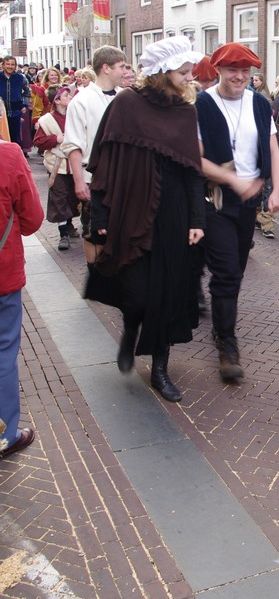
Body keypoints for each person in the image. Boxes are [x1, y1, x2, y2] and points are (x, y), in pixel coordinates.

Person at [84, 37, 205, 403]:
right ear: (161, 72)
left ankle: (160, 369)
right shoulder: (125, 104)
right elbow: (103, 161)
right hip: (130, 210)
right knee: (136, 293)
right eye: (183, 72)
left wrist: (196, 218)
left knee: (167, 292)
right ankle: (130, 329)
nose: (190, 77)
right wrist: (100, 213)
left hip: (173, 215)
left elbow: (192, 171)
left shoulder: (185, 112)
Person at [196, 43, 279, 381]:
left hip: (250, 202)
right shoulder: (203, 104)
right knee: (227, 273)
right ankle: (227, 344)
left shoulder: (259, 103)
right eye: (233, 70)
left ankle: (221, 323)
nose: (240, 77)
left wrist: (276, 190)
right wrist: (232, 179)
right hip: (216, 200)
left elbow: (273, 148)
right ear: (218, 70)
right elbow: (196, 158)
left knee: (237, 269)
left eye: (245, 71)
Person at [0, 139, 44, 459]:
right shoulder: (8, 155)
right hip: (3, 275)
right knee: (3, 352)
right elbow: (32, 220)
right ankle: (5, 435)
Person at [62, 46, 125, 261]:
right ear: (106, 68)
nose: (125, 71)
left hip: (122, 179)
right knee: (93, 234)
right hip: (93, 179)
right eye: (121, 66)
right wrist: (79, 182)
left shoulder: (125, 97)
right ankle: (95, 273)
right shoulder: (81, 101)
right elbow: (73, 145)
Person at [33, 85, 80, 251]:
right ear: (57, 100)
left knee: (73, 197)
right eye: (66, 96)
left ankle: (69, 224)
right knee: (59, 197)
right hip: (57, 165)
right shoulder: (47, 120)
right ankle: (63, 234)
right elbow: (38, 141)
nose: (70, 98)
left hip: (75, 164)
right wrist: (55, 139)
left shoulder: (75, 116)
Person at [0, 56, 27, 146]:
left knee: (16, 138)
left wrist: (25, 105)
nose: (10, 66)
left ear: (15, 66)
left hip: (15, 112)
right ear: (3, 65)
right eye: (7, 64)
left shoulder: (21, 78)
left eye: (12, 64)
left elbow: (27, 92)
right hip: (1, 112)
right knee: (3, 138)